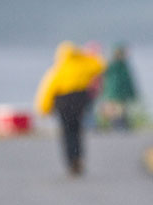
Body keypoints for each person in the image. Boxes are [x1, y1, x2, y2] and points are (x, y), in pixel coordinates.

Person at [36, 41, 105, 176]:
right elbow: (100, 65)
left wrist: (43, 109)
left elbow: (48, 90)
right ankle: (78, 158)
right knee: (77, 131)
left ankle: (71, 160)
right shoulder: (83, 65)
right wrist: (86, 56)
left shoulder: (57, 70)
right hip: (79, 101)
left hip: (63, 103)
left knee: (67, 133)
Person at [101, 43, 138, 131]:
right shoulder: (117, 65)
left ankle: (119, 126)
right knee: (117, 110)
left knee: (118, 109)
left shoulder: (116, 65)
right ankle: (119, 126)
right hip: (116, 92)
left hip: (115, 92)